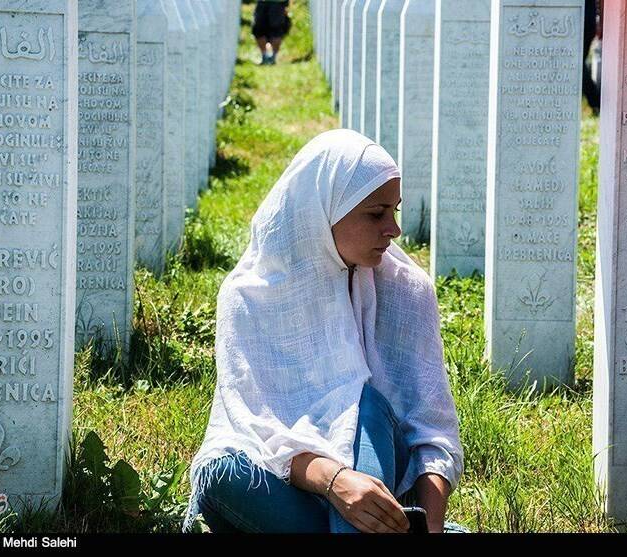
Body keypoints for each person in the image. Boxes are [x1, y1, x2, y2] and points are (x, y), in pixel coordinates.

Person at [182, 129, 464, 534]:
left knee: (364, 404)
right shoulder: (249, 295)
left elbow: (431, 433)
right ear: (325, 211)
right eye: (376, 213)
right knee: (220, 474)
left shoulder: (406, 290)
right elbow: (255, 426)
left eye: (395, 212)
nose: (394, 229)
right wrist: (335, 482)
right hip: (291, 477)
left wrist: (433, 528)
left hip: (377, 461)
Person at [253, 0, 292, 65]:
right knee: (259, 30)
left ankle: (271, 58)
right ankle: (266, 57)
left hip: (277, 3)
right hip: (265, 2)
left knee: (276, 30)